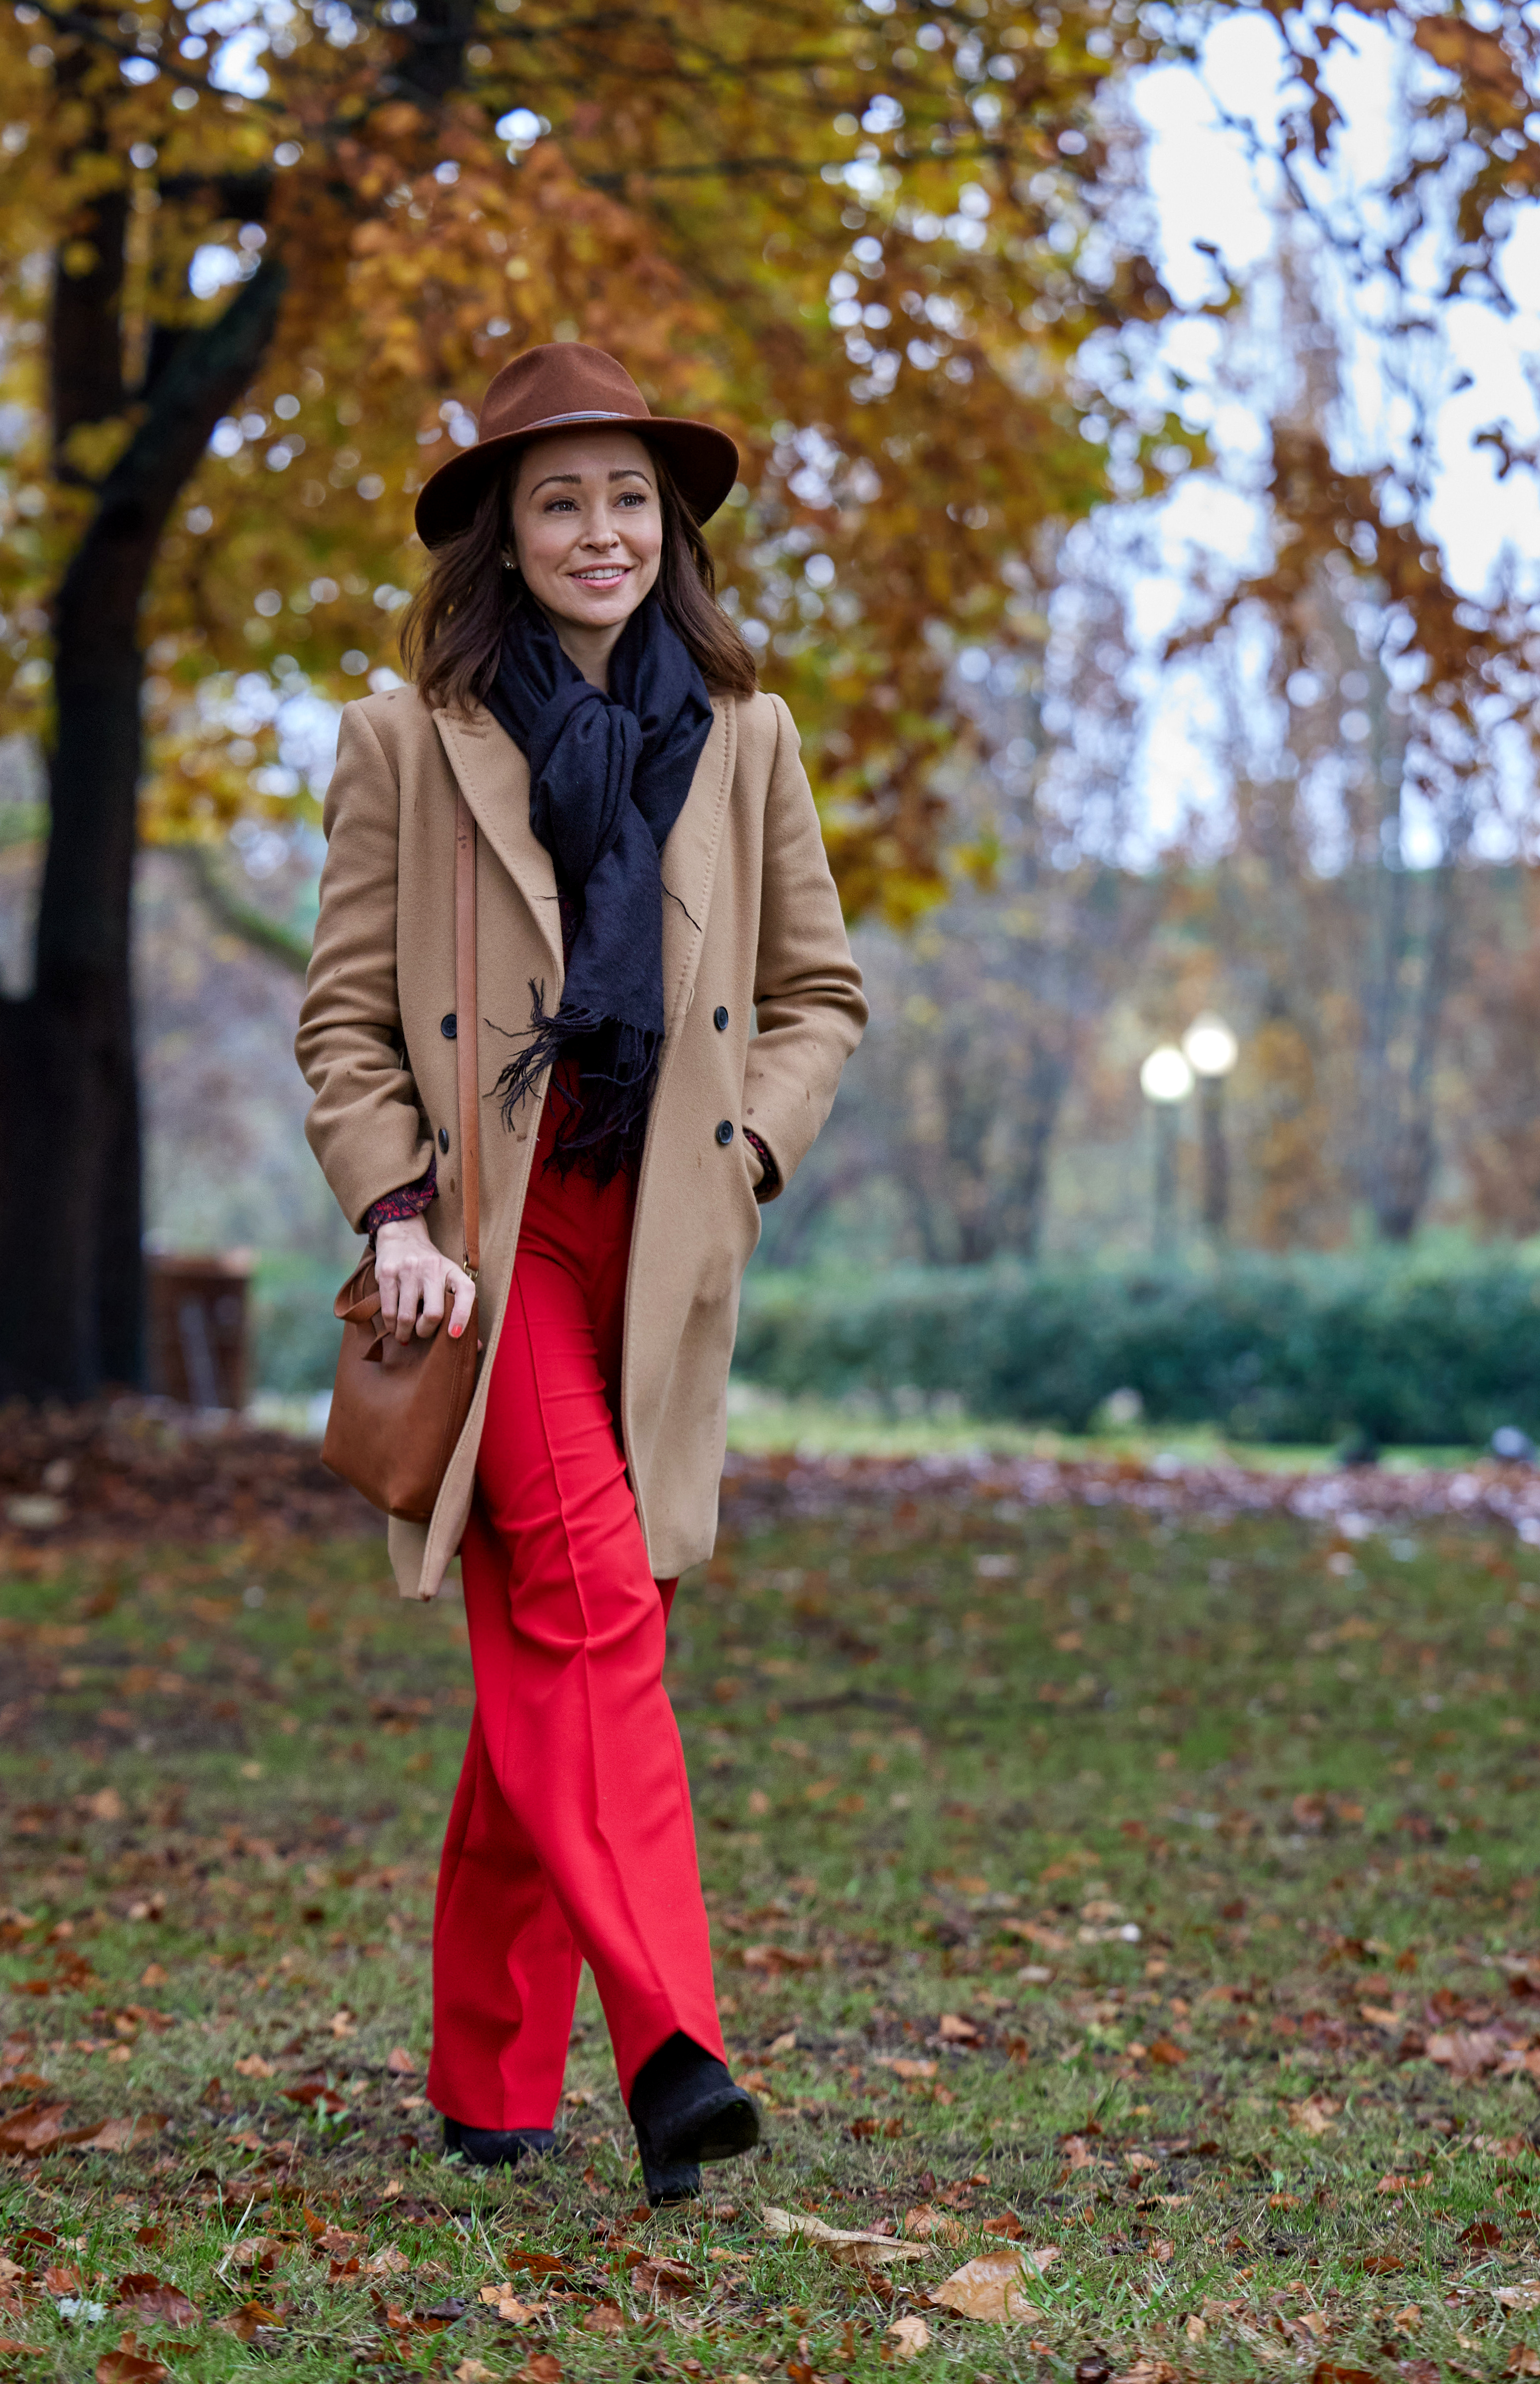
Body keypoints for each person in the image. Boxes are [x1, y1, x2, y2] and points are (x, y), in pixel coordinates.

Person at [296, 343, 866, 2202]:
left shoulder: (749, 734)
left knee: (572, 1645)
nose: (601, 530)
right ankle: (675, 2045)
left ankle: (486, 2069)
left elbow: (819, 998)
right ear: (503, 535)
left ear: (669, 524)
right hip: (492, 1243)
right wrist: (393, 1214)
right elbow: (346, 1023)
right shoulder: (408, 738)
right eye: (561, 500)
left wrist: (754, 1147)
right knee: (594, 1608)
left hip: (664, 1235)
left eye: (630, 497)